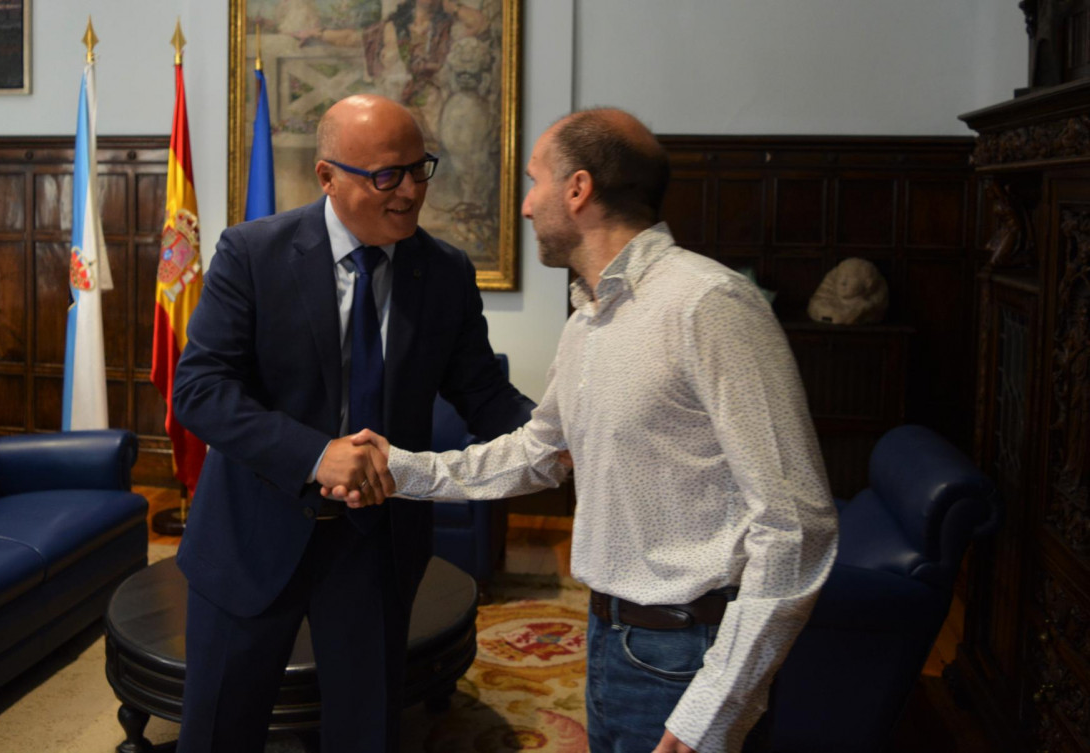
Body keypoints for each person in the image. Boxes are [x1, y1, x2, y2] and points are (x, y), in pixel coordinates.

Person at [333, 109, 839, 753]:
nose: (524, 205)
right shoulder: (588, 317)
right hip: (611, 638)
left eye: (534, 181)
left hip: (690, 657)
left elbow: (798, 525)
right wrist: (400, 467)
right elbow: (538, 454)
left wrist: (716, 706)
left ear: (577, 190)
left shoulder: (709, 304)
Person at [171, 93, 534, 753]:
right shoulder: (253, 253)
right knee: (221, 727)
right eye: (384, 176)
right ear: (327, 177)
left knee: (366, 732)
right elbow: (198, 390)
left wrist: (560, 437)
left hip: (377, 543)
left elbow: (482, 392)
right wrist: (315, 456)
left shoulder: (444, 272)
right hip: (253, 531)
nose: (409, 192)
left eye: (418, 169)